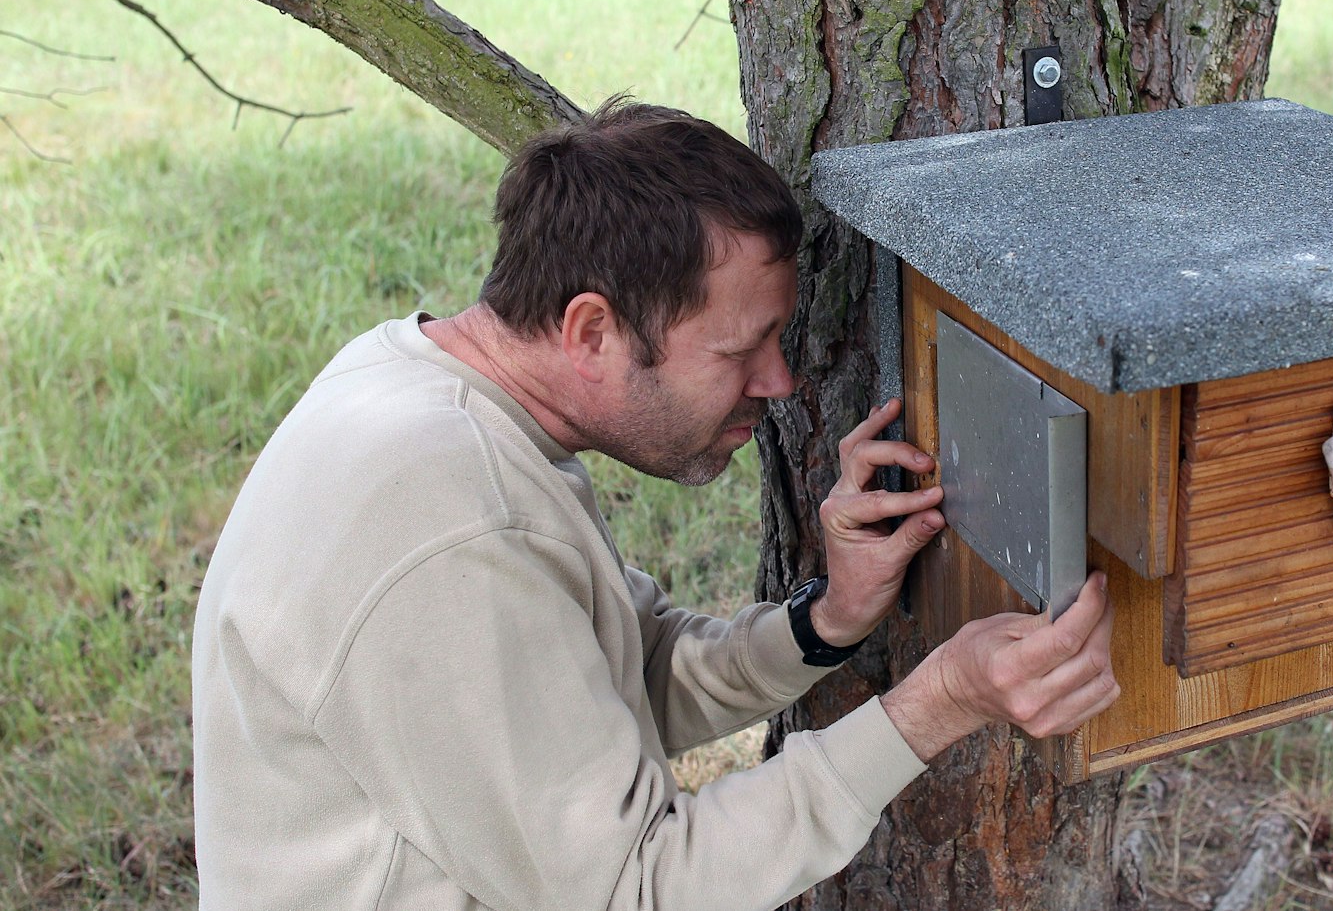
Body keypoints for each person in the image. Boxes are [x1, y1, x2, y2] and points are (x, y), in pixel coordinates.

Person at [191, 97, 1119, 911]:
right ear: (592, 330)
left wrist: (828, 620)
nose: (782, 381)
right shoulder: (453, 526)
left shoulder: (438, 401)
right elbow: (640, 887)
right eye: (739, 350)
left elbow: (624, 677)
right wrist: (941, 700)